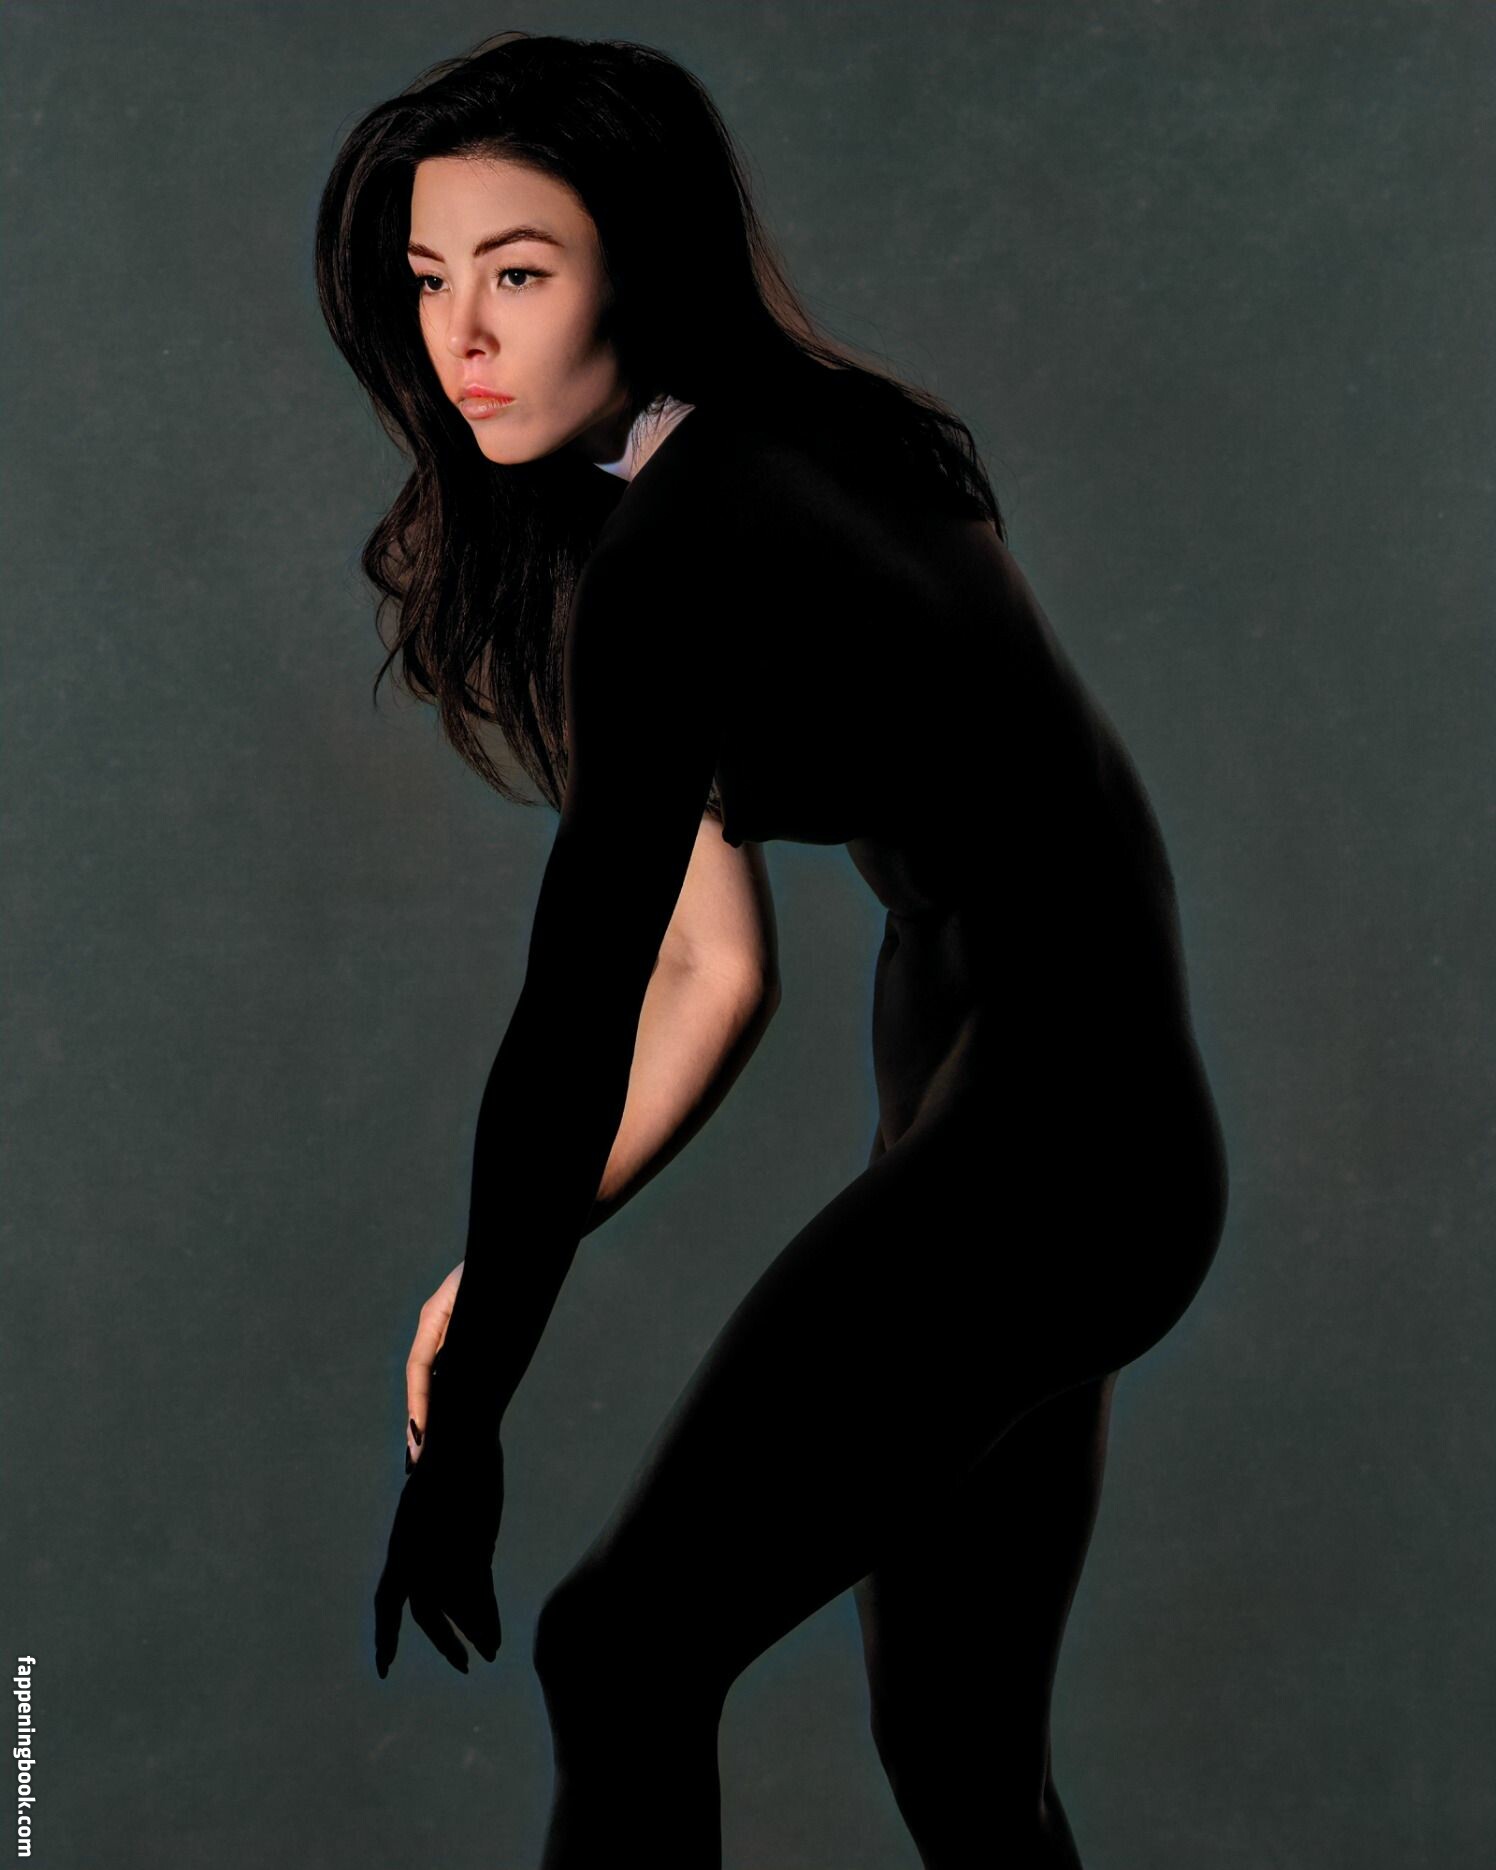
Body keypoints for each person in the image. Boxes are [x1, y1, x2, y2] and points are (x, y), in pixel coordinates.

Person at [314, 30, 1229, 1870]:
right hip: (1052, 1141)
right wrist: (501, 1279)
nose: (460, 337)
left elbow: (579, 1000)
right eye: (428, 279)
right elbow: (705, 969)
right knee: (959, 1752)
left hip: (1053, 1146)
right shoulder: (690, 491)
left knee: (621, 1648)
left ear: (636, 271)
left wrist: (474, 1409)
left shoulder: (713, 519)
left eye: (519, 274)